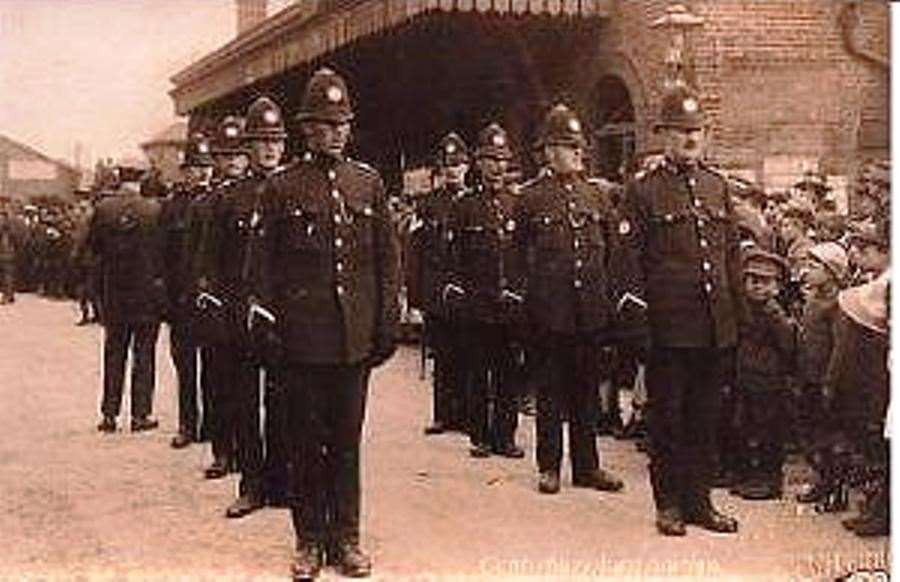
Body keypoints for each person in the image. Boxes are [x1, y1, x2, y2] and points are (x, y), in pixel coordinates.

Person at [268, 67, 399, 579]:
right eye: (326, 123)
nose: (337, 131)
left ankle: (346, 538)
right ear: (307, 129)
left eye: (343, 122)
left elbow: (387, 259)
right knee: (306, 443)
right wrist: (271, 328)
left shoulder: (367, 182)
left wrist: (385, 322)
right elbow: (265, 267)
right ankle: (308, 540)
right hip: (303, 342)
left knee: (346, 442)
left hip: (352, 342)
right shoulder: (282, 187)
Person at [620, 85, 743, 536]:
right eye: (681, 131)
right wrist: (639, 328)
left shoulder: (717, 186)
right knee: (668, 419)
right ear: (664, 136)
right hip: (668, 330)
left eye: (697, 131)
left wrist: (736, 321)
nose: (691, 139)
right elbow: (628, 262)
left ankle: (700, 503)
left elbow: (730, 256)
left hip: (713, 328)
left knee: (704, 419)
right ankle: (668, 504)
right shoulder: (643, 191)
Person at [515, 103, 626, 496]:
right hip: (549, 312)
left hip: (590, 312)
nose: (572, 154)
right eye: (563, 146)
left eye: (576, 147)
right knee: (550, 391)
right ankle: (549, 466)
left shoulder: (597, 197)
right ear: (546, 152)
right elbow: (517, 258)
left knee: (586, 392)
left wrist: (608, 304)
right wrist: (527, 307)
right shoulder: (529, 199)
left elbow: (611, 253)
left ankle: (587, 466)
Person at [214, 97, 289, 518]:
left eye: (275, 141)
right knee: (244, 401)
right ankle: (252, 484)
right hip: (242, 313)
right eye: (260, 142)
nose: (268, 150)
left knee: (282, 400)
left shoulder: (295, 188)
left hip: (283, 314)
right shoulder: (229, 198)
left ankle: (280, 482)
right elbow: (212, 258)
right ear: (248, 148)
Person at [450, 122, 525, 458]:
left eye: (502, 160)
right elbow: (454, 258)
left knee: (509, 373)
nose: (497, 167)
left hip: (509, 305)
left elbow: (525, 255)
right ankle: (479, 434)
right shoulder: (464, 206)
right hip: (477, 304)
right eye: (490, 160)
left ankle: (505, 436)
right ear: (478, 163)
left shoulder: (517, 204)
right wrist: (459, 297)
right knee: (478, 372)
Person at [192, 114, 250, 479]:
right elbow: (198, 257)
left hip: (252, 300)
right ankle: (222, 450)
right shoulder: (206, 203)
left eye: (238, 155)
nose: (232, 162)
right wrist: (204, 295)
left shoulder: (264, 193)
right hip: (221, 302)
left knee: (249, 385)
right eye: (225, 155)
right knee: (218, 379)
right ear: (215, 160)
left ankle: (249, 455)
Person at [89, 167, 166, 433]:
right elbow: (164, 252)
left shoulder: (103, 209)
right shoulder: (155, 210)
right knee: (144, 355)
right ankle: (140, 415)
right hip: (146, 295)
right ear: (142, 178)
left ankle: (109, 414)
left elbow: (94, 248)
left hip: (115, 294)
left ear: (119, 178)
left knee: (114, 353)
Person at [412, 132, 471, 435]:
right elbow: (417, 251)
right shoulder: (428, 204)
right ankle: (443, 415)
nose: (453, 170)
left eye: (458, 163)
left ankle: (467, 415)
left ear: (467, 167)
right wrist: (417, 299)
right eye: (448, 164)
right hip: (436, 292)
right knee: (442, 354)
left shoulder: (474, 200)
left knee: (467, 354)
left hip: (467, 291)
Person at [731, 248, 796, 500]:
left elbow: (788, 345)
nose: (756, 286)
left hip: (768, 380)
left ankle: (769, 479)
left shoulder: (773, 313)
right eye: (751, 280)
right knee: (747, 427)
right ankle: (750, 474)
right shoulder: (745, 308)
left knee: (768, 430)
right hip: (746, 375)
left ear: (777, 287)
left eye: (764, 281)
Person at [163, 132, 214, 449]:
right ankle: (187, 424)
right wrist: (166, 298)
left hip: (208, 300)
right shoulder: (173, 208)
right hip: (182, 299)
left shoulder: (217, 202)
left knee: (212, 366)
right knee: (185, 365)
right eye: (196, 166)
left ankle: (210, 424)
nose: (203, 172)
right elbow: (163, 256)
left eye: (206, 165)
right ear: (186, 171)